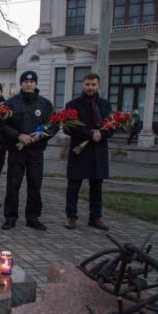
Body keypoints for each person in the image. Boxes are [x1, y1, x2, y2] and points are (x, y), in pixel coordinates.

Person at [0, 71, 55, 231]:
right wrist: (18, 136)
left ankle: (33, 217)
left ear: (36, 84)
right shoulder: (11, 103)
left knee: (35, 184)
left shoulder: (45, 104)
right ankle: (10, 217)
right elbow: (2, 125)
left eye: (31, 82)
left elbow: (53, 125)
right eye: (25, 81)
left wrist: (41, 135)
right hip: (17, 151)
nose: (28, 84)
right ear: (21, 83)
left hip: (36, 151)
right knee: (13, 184)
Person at [64, 72, 113, 231]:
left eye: (93, 85)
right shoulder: (73, 105)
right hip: (80, 150)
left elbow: (112, 126)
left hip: (98, 150)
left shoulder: (105, 105)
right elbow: (70, 127)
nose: (90, 88)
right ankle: (71, 216)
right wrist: (90, 133)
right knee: (74, 185)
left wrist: (102, 134)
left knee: (97, 186)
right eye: (87, 84)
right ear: (82, 85)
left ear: (99, 86)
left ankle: (95, 217)